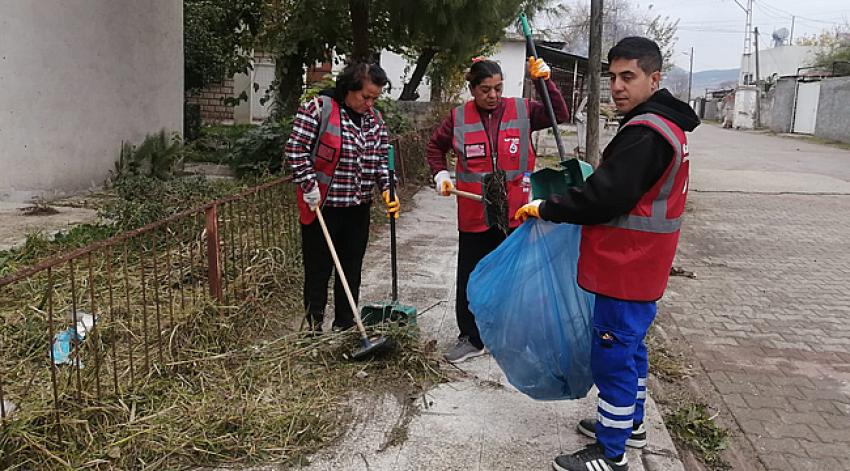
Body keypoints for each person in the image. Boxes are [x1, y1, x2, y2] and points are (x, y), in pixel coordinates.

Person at [514, 37, 700, 471]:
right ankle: (630, 425)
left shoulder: (645, 133)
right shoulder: (665, 126)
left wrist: (547, 206)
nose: (617, 86)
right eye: (612, 77)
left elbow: (603, 198)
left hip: (626, 266)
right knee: (631, 351)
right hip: (642, 267)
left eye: (628, 77)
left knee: (613, 356)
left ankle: (611, 453)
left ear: (655, 79)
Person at [426, 57, 569, 363]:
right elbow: (435, 147)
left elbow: (560, 114)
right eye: (485, 89)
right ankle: (471, 337)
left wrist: (547, 82)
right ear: (472, 89)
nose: (493, 95)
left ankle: (511, 336)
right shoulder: (457, 118)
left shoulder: (523, 110)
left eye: (498, 88)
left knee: (517, 278)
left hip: (516, 214)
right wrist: (439, 174)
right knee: (471, 276)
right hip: (475, 214)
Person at [285, 62, 400, 333]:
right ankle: (313, 328)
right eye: (366, 96)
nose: (370, 103)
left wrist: (387, 189)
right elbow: (296, 149)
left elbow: (381, 161)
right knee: (318, 270)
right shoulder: (319, 109)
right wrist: (308, 184)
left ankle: (345, 325)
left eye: (375, 97)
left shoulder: (375, 121)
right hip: (322, 207)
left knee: (351, 268)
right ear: (349, 88)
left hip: (357, 208)